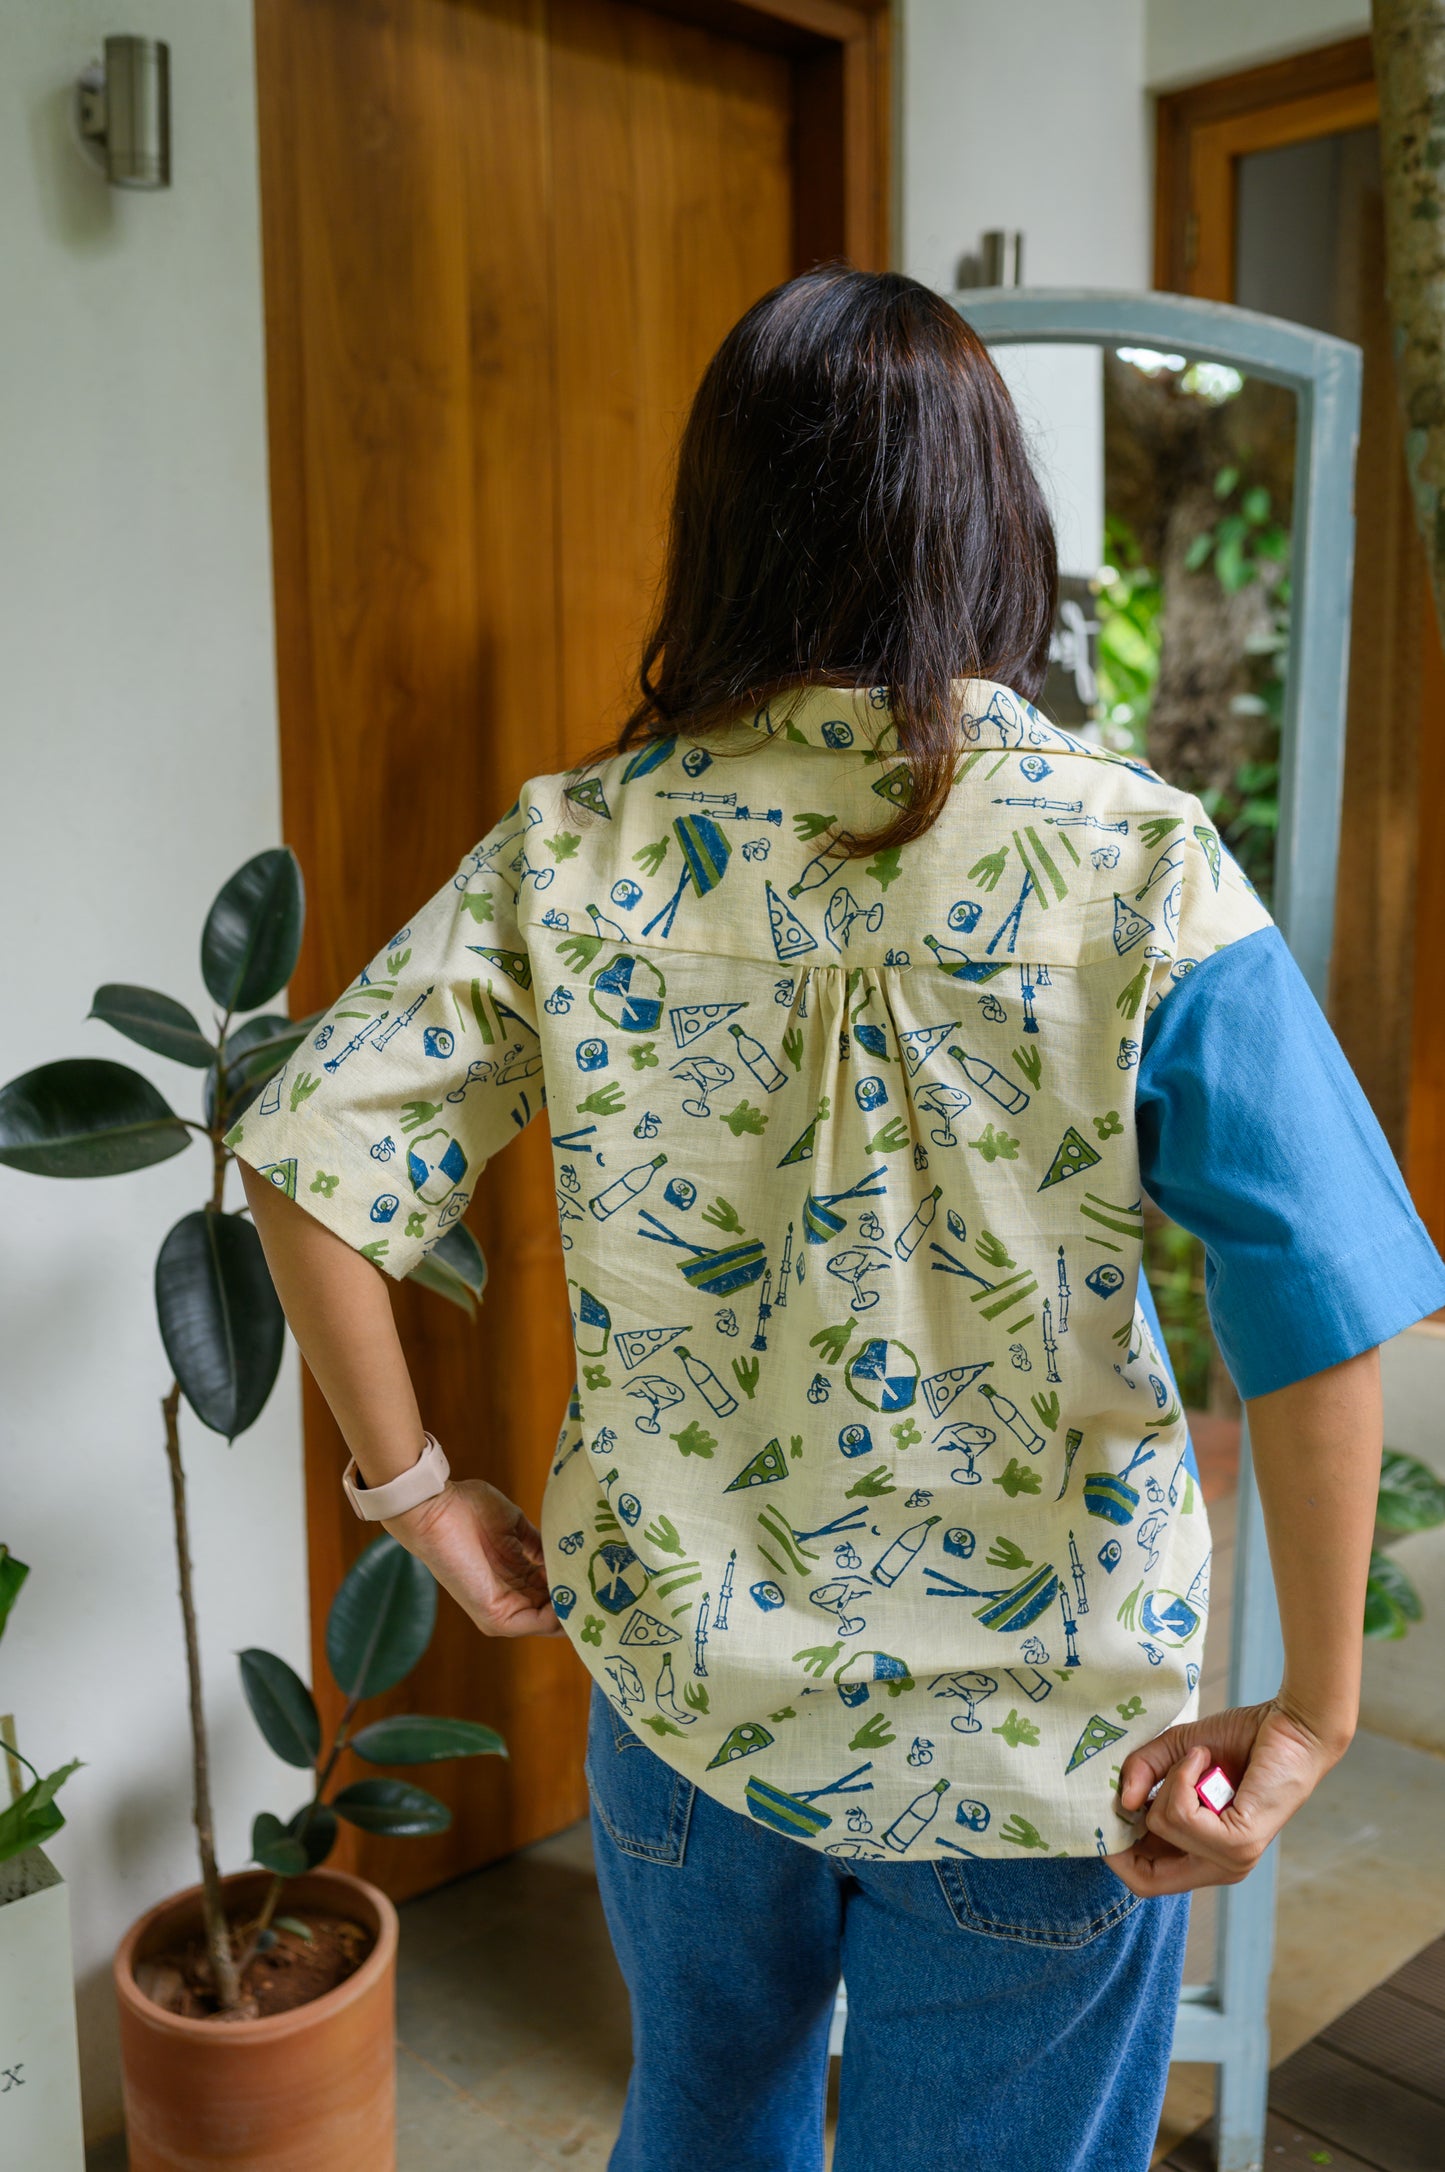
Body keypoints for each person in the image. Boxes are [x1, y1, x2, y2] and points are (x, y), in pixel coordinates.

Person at [233, 267, 1445, 2172]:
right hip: (1041, 1740)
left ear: (720, 528)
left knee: (704, 2120)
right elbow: (1322, 1292)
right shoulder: (1132, 856)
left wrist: (418, 1497)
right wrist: (1312, 1706)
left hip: (683, 1710)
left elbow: (310, 1165)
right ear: (994, 524)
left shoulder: (576, 845)